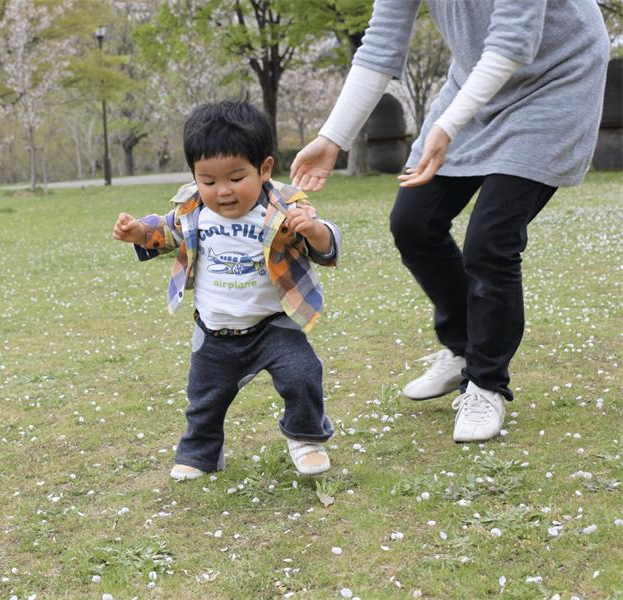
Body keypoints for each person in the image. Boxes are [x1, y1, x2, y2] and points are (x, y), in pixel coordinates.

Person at [290, 0, 610, 443]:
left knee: (491, 240)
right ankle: (464, 348)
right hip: (477, 79)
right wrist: (332, 138)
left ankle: (485, 382)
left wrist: (448, 124)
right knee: (413, 222)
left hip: (557, 79)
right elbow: (381, 45)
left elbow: (514, 39)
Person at [113, 100, 342, 480]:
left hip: (273, 326)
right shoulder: (194, 210)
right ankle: (201, 453)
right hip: (215, 330)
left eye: (236, 179)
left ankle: (305, 438)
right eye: (208, 180)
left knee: (302, 375)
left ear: (264, 168)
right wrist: (139, 232)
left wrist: (315, 231)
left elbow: (325, 245)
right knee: (203, 400)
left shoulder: (284, 208)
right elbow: (168, 230)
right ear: (194, 175)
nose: (223, 192)